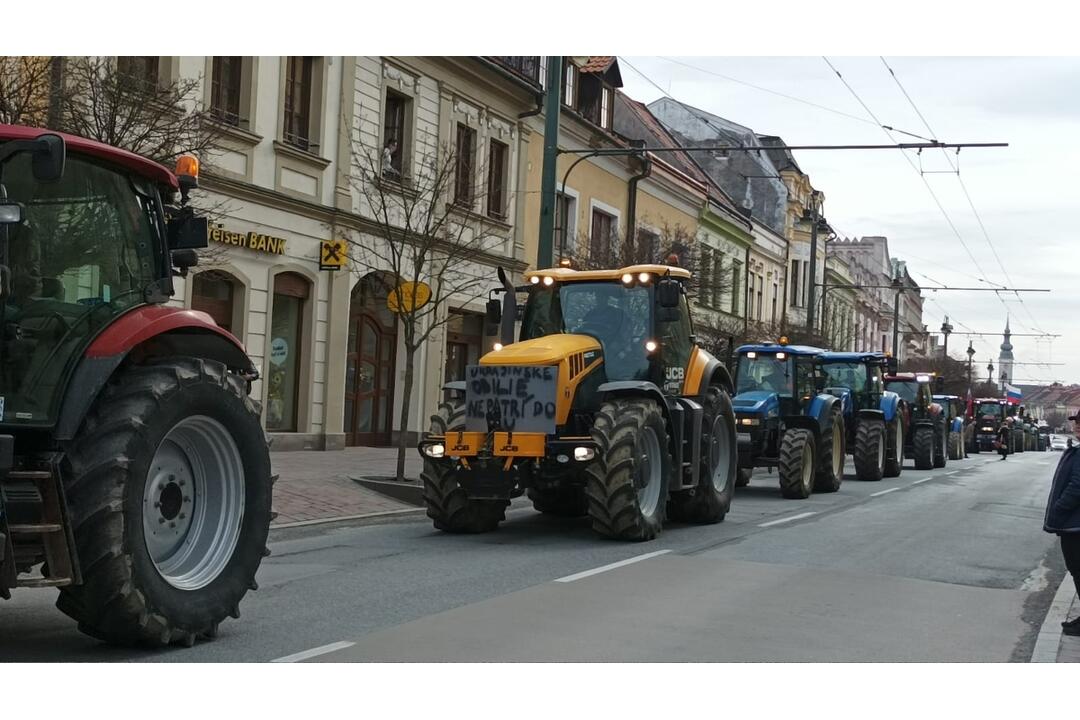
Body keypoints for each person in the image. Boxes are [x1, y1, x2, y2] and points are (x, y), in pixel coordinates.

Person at [1043, 413, 1080, 636]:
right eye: (1077, 422)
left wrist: (1059, 508)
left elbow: (1077, 486)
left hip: (1076, 525)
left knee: (1078, 569)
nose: (1078, 426)